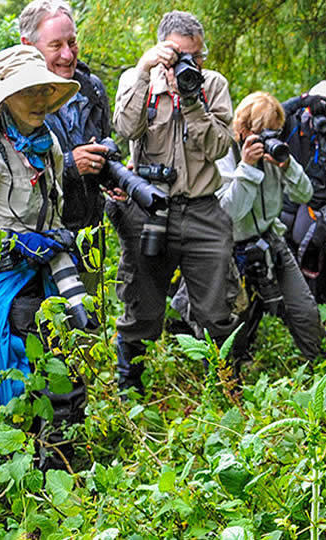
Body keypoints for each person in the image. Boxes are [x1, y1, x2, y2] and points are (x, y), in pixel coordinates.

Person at [0, 45, 86, 468]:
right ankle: (15, 470)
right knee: (16, 375)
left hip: (46, 275)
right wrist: (11, 240)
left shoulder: (49, 145)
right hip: (6, 280)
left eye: (45, 92)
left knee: (64, 365)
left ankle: (59, 463)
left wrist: (55, 239)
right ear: (6, 99)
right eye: (30, 94)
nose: (40, 102)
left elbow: (52, 203)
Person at [111, 11, 237, 394]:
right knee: (142, 308)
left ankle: (224, 386)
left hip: (202, 208)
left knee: (217, 309)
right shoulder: (139, 82)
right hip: (152, 208)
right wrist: (144, 69)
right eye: (182, 55)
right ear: (162, 49)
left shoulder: (212, 85)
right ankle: (129, 388)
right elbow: (124, 129)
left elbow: (218, 146)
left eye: (198, 56)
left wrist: (192, 101)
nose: (192, 64)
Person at [216, 91, 323, 371]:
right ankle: (229, 378)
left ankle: (322, 367)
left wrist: (288, 166)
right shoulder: (223, 152)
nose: (270, 140)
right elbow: (229, 213)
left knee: (304, 310)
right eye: (264, 133)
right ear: (243, 130)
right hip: (232, 250)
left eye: (275, 132)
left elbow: (305, 194)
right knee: (234, 320)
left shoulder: (275, 153)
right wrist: (248, 167)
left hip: (269, 240)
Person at [17, 0, 115, 294]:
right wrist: (70, 164)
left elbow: (103, 139)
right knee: (43, 327)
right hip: (37, 241)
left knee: (88, 324)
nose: (67, 54)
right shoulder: (11, 97)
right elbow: (9, 178)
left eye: (72, 42)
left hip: (89, 234)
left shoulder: (92, 87)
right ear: (28, 45)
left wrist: (111, 174)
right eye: (56, 45)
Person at [278, 80, 326, 313]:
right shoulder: (292, 123)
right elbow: (261, 121)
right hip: (286, 206)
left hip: (320, 212)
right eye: (324, 113)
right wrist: (300, 102)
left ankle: (319, 311)